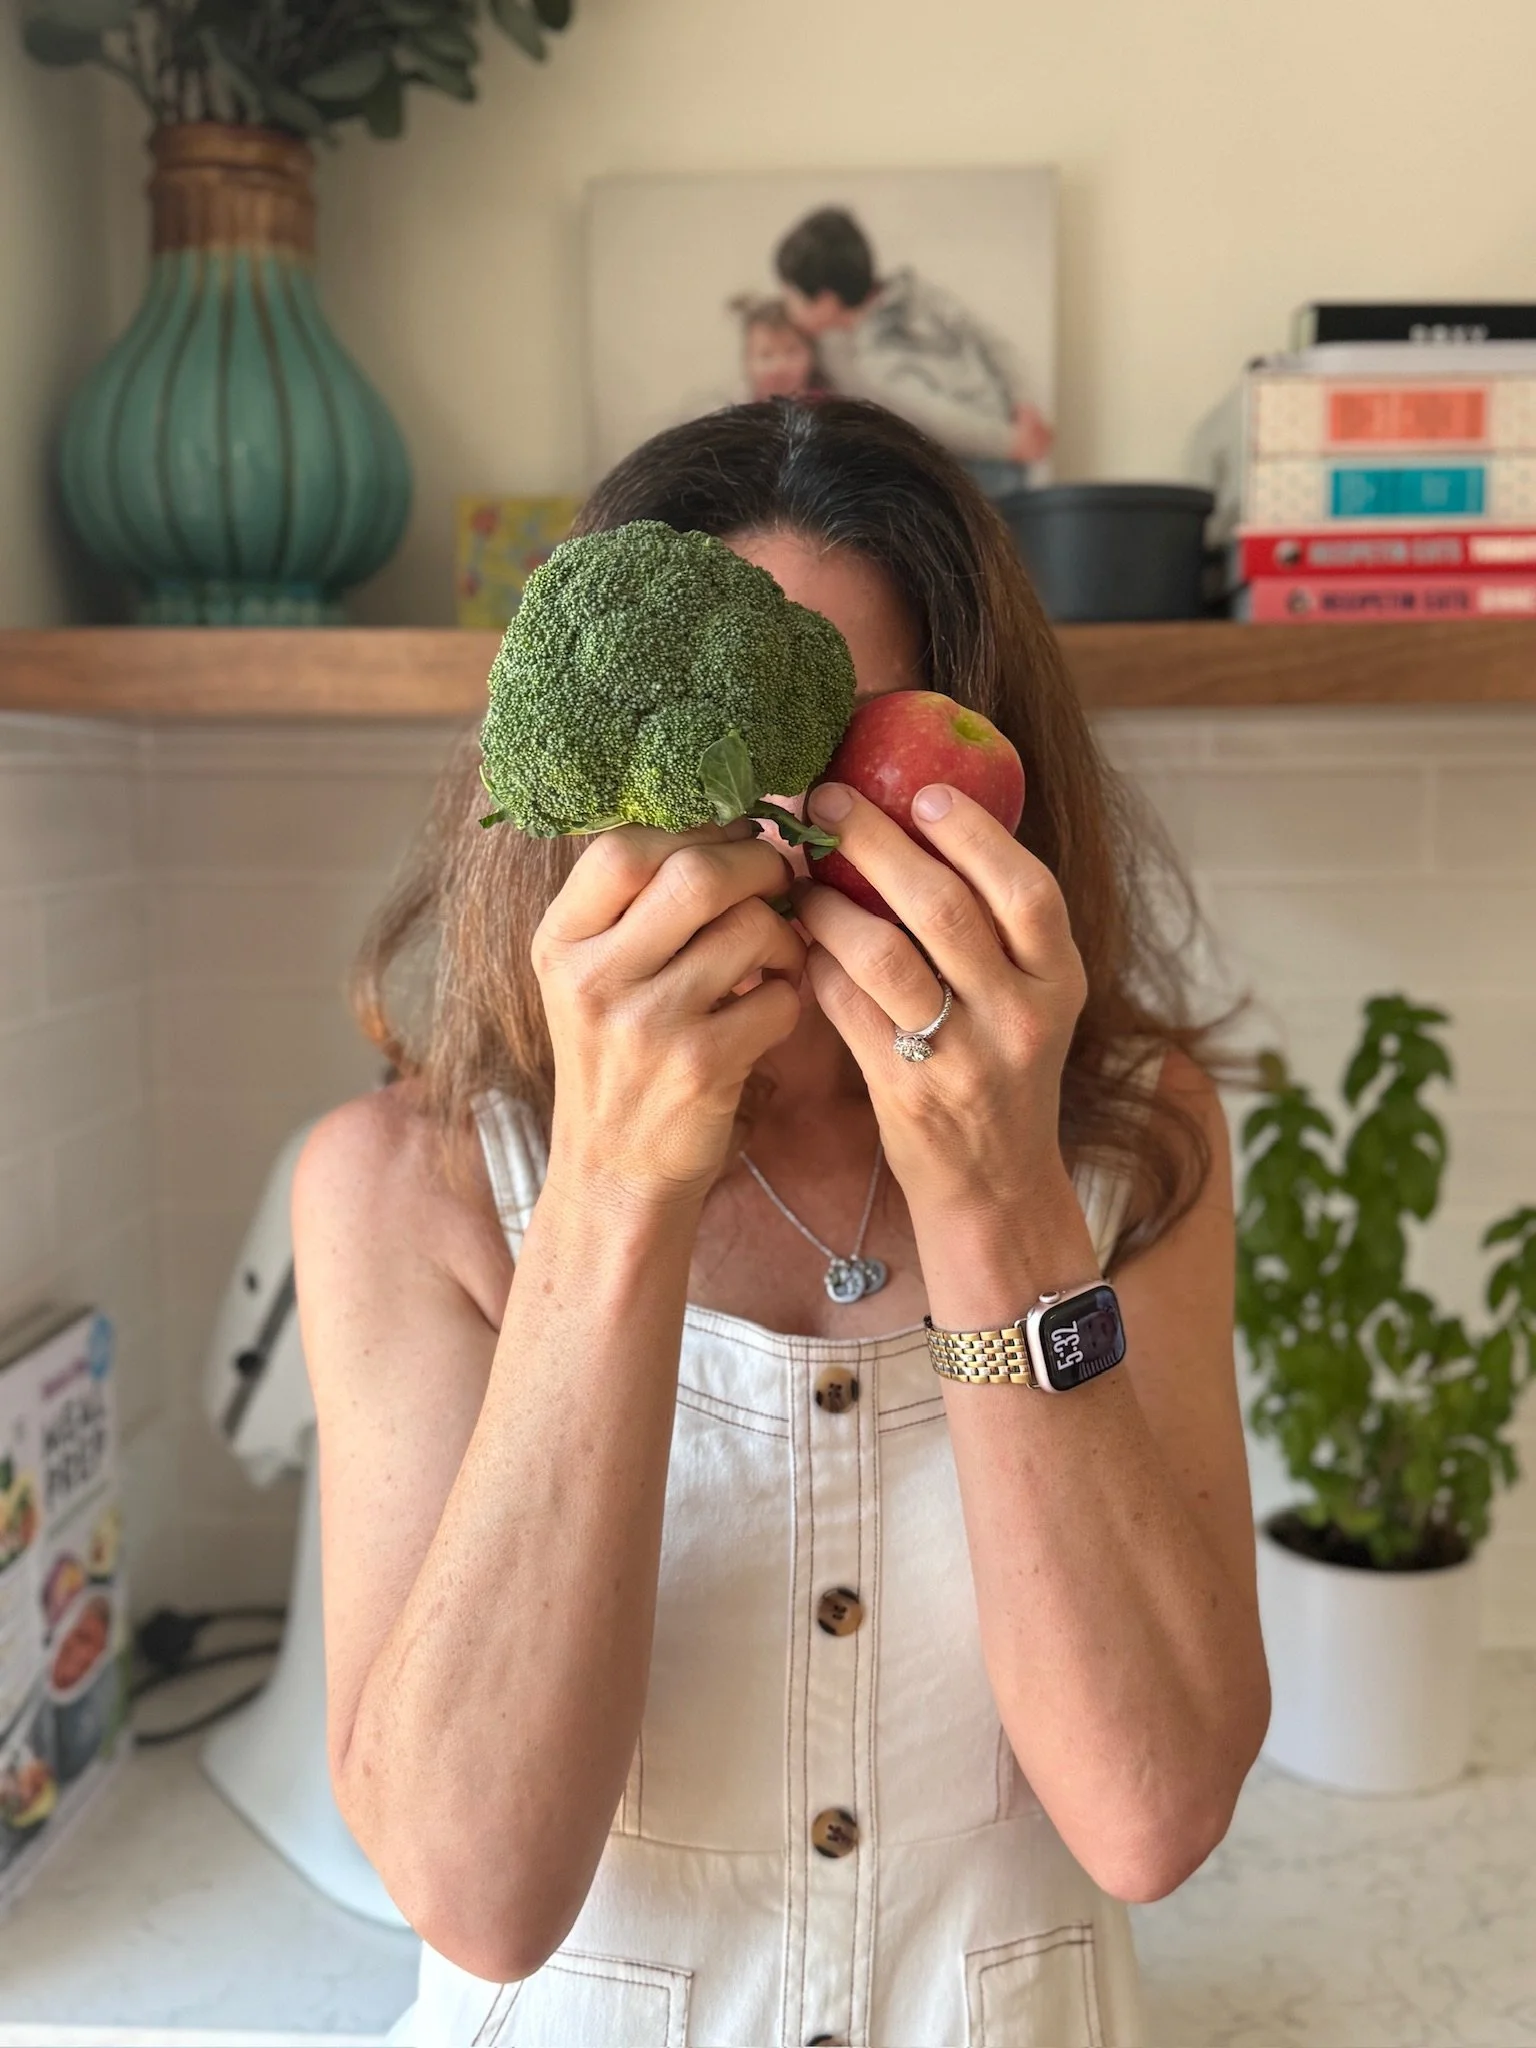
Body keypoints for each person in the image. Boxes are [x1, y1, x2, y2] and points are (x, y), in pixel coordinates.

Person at [293, 395, 1269, 2048]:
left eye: (845, 764)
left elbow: (1150, 1812)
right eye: (724, 777)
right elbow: (472, 1881)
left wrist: (997, 1191)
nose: (780, 842)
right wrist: (610, 1185)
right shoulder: (406, 1190)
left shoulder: (1133, 1141)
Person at [774, 206, 1054, 503]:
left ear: (827, 301)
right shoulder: (915, 291)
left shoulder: (875, 362)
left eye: (791, 294)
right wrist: (1024, 406)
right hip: (1005, 439)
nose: (787, 306)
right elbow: (991, 341)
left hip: (979, 466)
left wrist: (1012, 441)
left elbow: (937, 419)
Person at [729, 291, 830, 400]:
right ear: (747, 361)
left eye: (792, 352)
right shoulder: (738, 410)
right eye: (766, 355)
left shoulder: (828, 408)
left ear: (812, 355)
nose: (780, 367)